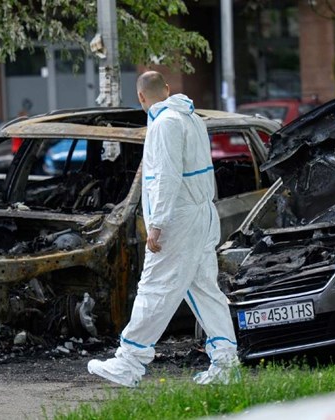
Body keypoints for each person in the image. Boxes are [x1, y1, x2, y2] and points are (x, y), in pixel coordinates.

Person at [87, 71, 239, 387]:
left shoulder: (164, 125)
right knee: (205, 291)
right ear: (167, 90)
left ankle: (128, 362)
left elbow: (167, 177)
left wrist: (157, 225)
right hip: (200, 215)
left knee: (155, 288)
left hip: (179, 220)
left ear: (141, 97)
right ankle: (227, 363)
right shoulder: (192, 119)